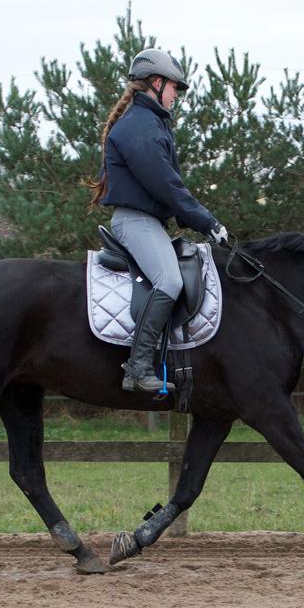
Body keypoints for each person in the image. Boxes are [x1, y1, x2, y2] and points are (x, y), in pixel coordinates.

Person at [87, 48, 229, 395]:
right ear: (156, 83)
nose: (176, 95)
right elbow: (166, 185)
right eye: (174, 88)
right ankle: (137, 367)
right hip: (135, 221)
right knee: (169, 281)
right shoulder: (139, 127)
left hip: (147, 222)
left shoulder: (149, 123)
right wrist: (207, 221)